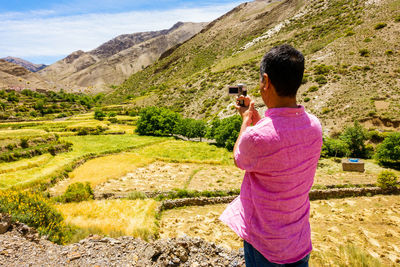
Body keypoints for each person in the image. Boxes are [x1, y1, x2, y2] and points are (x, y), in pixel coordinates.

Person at [220, 44, 322, 266]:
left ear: (265, 81)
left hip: (265, 244)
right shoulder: (315, 126)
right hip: (298, 241)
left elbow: (240, 156)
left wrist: (247, 120)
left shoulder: (257, 137)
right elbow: (281, 139)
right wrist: (260, 123)